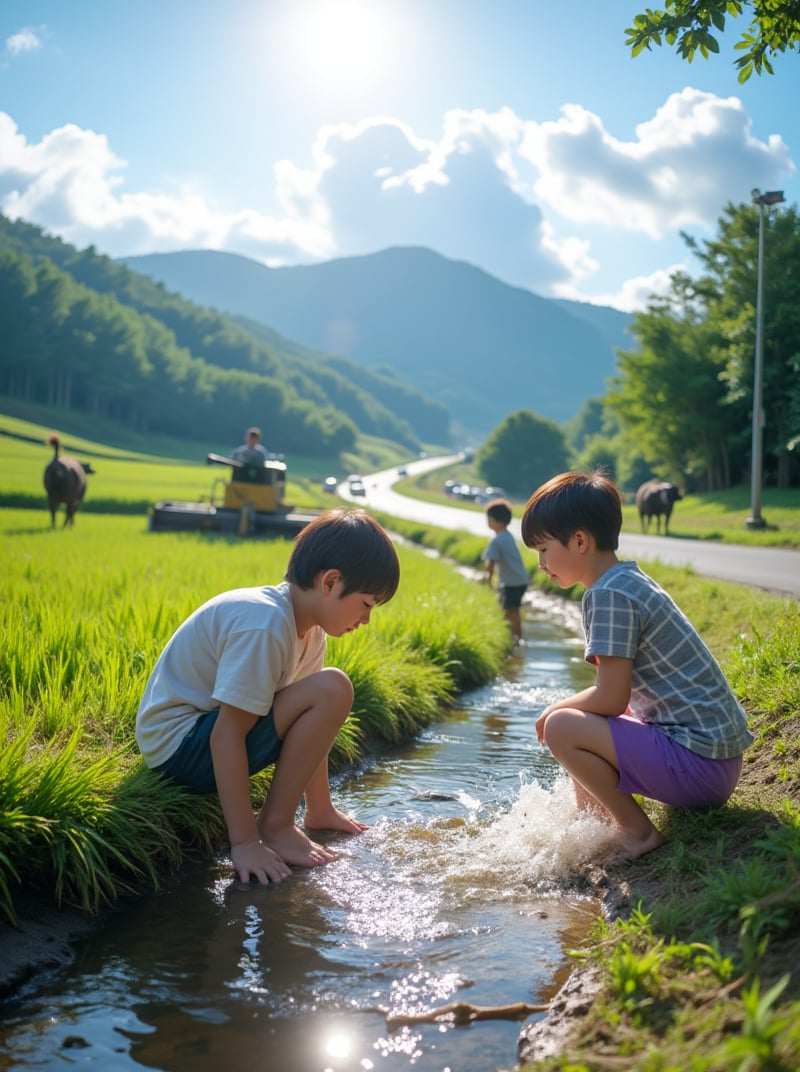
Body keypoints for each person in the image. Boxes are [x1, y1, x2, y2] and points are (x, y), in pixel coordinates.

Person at [136, 508, 401, 885]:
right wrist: (244, 842)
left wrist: (321, 808)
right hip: (180, 749)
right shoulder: (265, 624)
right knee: (333, 687)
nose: (366, 620)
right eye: (367, 604)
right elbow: (226, 734)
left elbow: (312, 727)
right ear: (330, 583)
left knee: (329, 689)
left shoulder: (309, 631)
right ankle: (274, 826)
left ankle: (313, 813)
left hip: (201, 738)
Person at [520, 470, 753, 861]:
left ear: (579, 541)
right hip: (717, 761)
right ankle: (592, 825)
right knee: (577, 720)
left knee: (563, 725)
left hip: (701, 769)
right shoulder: (627, 579)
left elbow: (610, 698)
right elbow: (619, 700)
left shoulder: (608, 595)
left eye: (543, 550)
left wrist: (553, 710)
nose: (541, 563)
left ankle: (637, 832)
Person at [481, 498, 529, 643]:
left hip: (512, 582)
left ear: (493, 520)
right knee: (509, 610)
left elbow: (490, 563)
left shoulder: (496, 540)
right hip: (519, 580)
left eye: (488, 518)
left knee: (511, 611)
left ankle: (517, 639)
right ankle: (512, 637)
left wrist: (487, 580)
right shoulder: (507, 536)